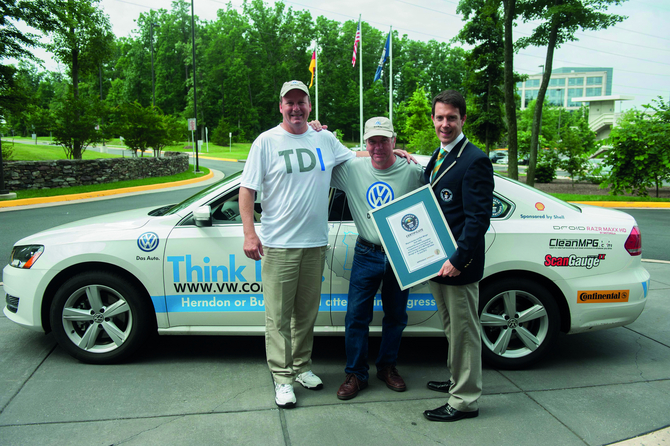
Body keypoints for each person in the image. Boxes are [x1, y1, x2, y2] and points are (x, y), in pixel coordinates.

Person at [239, 81, 411, 409]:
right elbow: (247, 189)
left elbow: (356, 158)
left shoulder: (324, 138)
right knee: (278, 317)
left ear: (308, 105)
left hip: (315, 243)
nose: (296, 108)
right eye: (289, 102)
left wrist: (390, 150)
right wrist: (250, 233)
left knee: (305, 314)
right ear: (281, 106)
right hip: (279, 244)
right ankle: (282, 377)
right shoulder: (265, 141)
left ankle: (302, 367)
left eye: (301, 102)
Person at [330, 117, 424, 400]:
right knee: (356, 317)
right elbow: (316, 164)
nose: (378, 147)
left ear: (394, 142)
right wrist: (316, 130)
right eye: (373, 141)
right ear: (365, 143)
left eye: (384, 140)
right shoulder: (352, 170)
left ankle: (387, 367)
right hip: (366, 252)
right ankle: (356, 374)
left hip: (401, 253)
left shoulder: (412, 171)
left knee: (396, 317)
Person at [421, 90, 494, 422]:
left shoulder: (474, 159)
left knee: (465, 331)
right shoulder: (439, 156)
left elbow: (478, 219)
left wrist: (458, 259)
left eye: (452, 117)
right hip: (438, 262)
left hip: (457, 266)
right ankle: (457, 380)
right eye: (440, 117)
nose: (445, 123)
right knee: (452, 328)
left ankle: (465, 400)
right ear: (433, 119)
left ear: (463, 118)